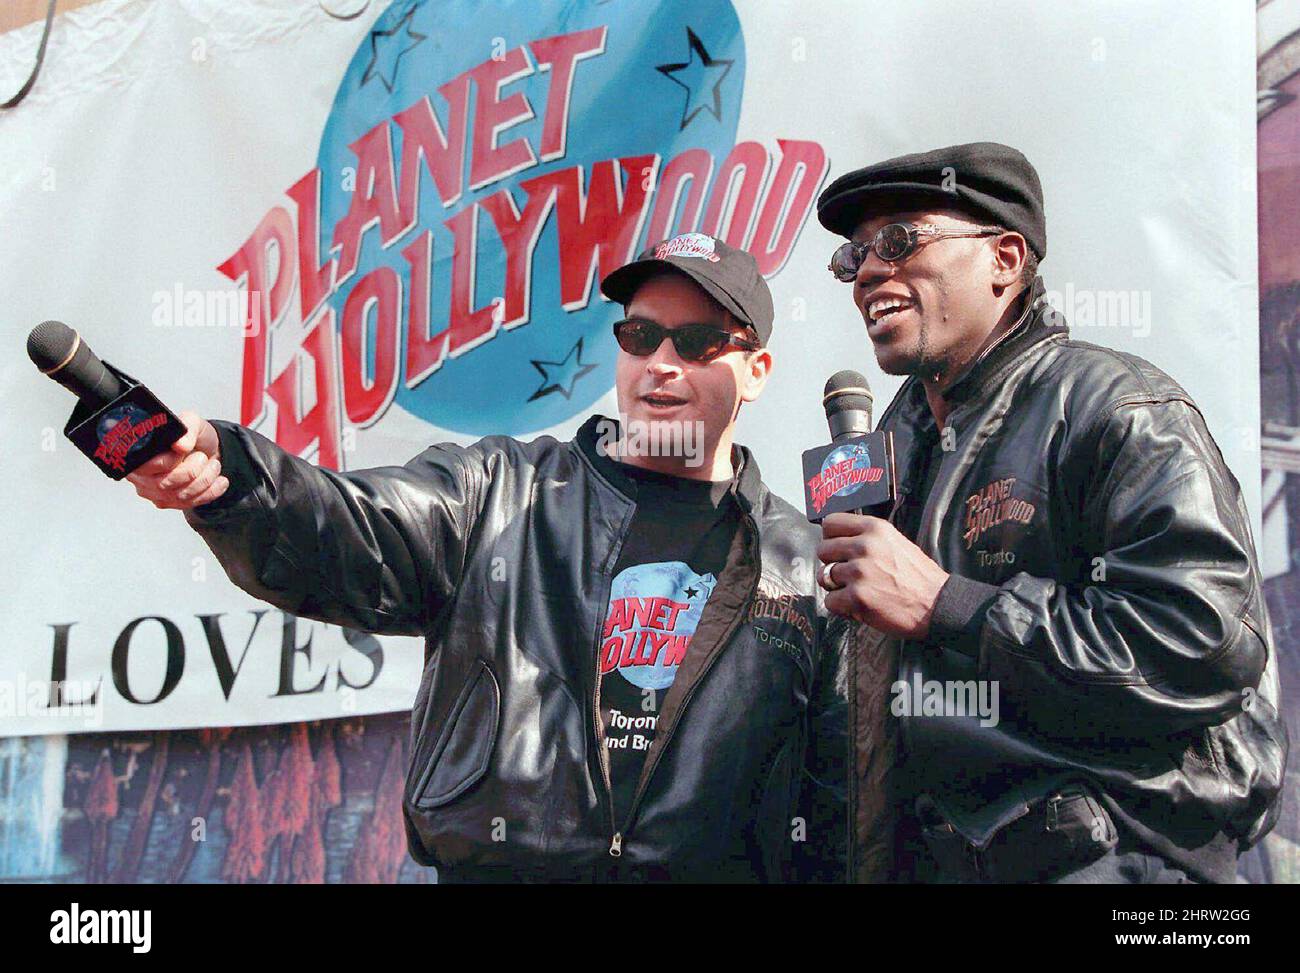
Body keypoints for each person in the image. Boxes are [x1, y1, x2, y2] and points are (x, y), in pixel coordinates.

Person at [127, 232, 852, 883]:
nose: (662, 364)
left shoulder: (801, 561)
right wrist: (233, 474)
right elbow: (349, 529)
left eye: (697, 343)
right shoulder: (501, 490)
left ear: (755, 370)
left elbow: (838, 804)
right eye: (640, 335)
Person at [813, 142, 1287, 883]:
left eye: (901, 240)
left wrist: (949, 604)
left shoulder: (1118, 410)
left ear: (1005, 258)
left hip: (1122, 862)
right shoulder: (889, 455)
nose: (870, 269)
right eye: (854, 257)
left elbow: (1205, 645)